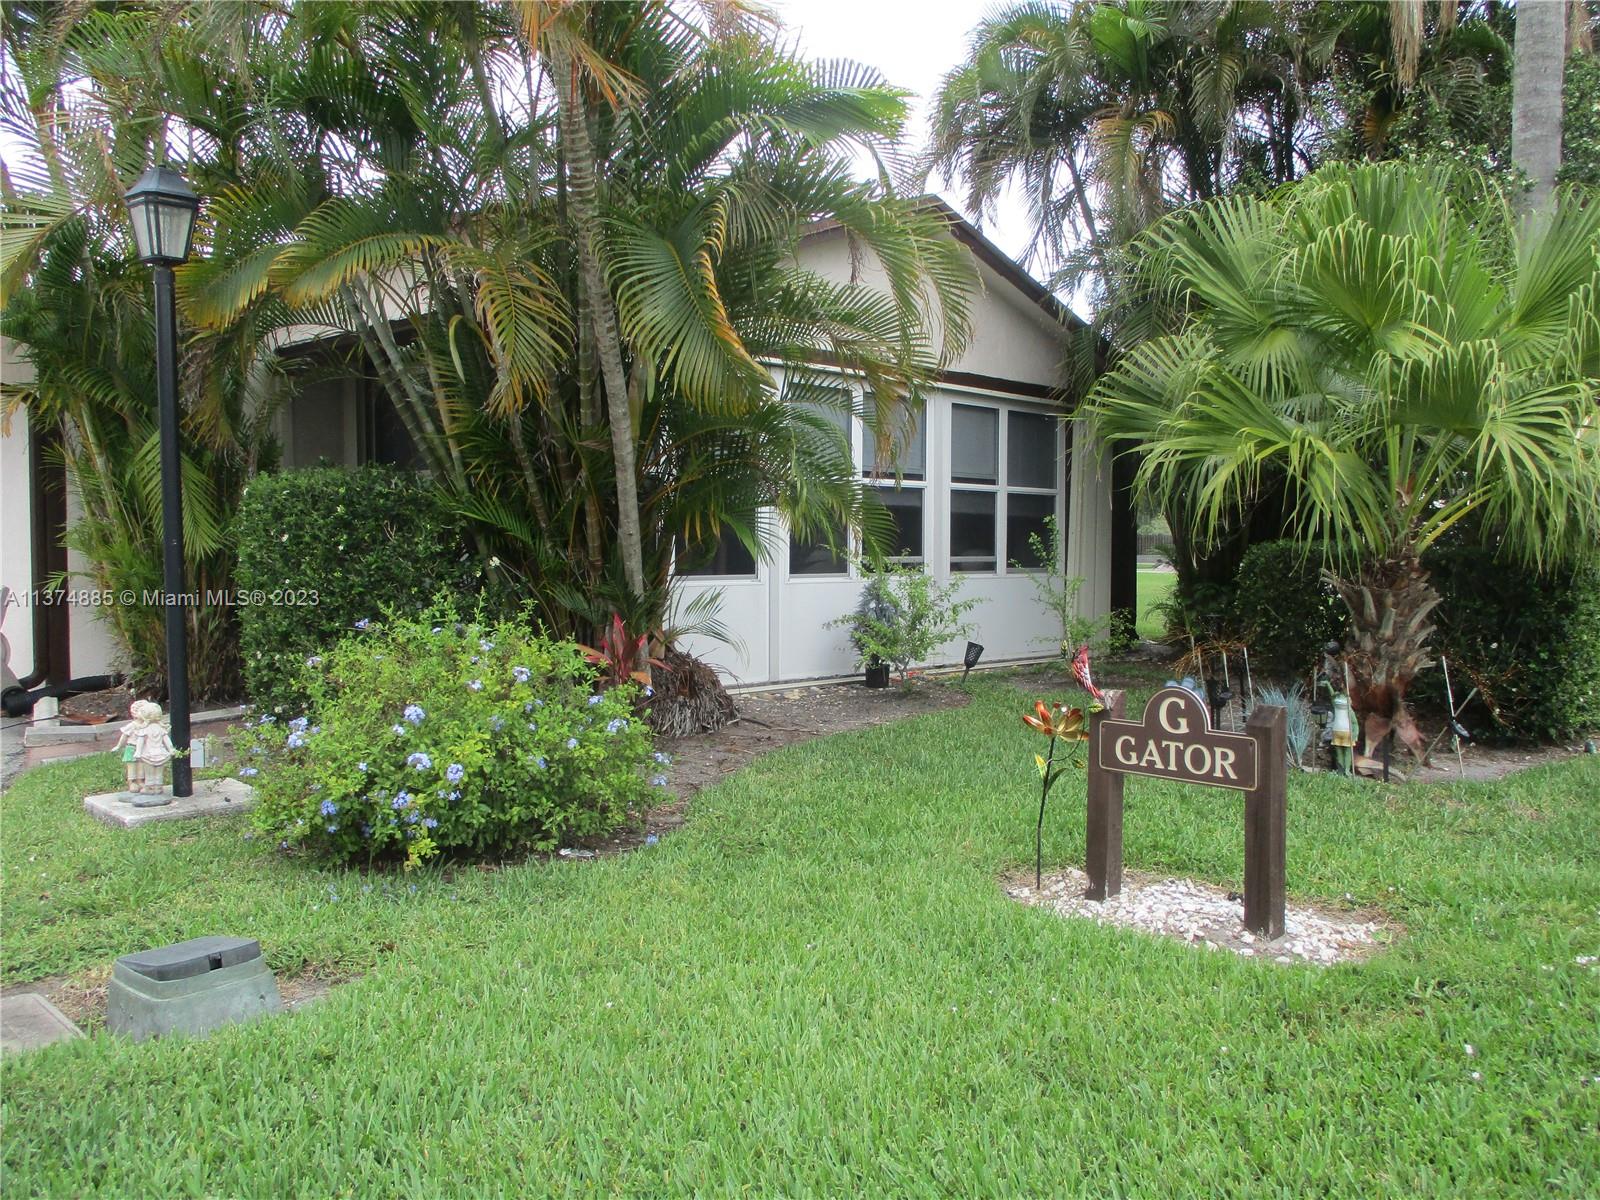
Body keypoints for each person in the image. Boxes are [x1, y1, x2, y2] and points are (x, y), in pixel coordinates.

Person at [114, 700, 176, 794]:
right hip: (133, 748)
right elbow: (126, 735)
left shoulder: (148, 727)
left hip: (147, 751)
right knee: (132, 766)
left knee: (142, 767)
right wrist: (119, 746)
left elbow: (163, 738)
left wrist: (170, 748)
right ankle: (133, 782)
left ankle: (143, 782)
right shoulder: (134, 726)